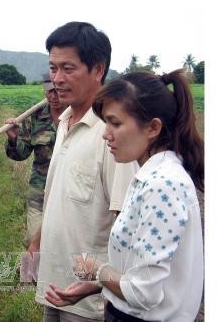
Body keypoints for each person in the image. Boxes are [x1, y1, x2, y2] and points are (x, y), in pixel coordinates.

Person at [44, 69, 204, 321]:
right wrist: (100, 284)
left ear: (153, 127)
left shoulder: (161, 186)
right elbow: (143, 269)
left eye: (115, 123)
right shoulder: (149, 177)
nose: (106, 133)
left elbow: (143, 293)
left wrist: (97, 270)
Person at [28, 22, 138, 321]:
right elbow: (58, 198)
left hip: (88, 300)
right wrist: (36, 243)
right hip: (54, 282)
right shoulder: (64, 121)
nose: (57, 79)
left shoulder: (111, 134)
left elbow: (125, 223)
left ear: (98, 69)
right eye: (53, 68)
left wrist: (101, 283)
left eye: (68, 68)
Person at [4, 73, 67, 248]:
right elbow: (20, 155)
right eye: (49, 92)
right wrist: (14, 139)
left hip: (68, 192)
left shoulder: (76, 116)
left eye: (57, 91)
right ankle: (33, 274)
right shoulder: (35, 116)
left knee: (62, 246)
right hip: (40, 191)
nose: (53, 97)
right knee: (35, 242)